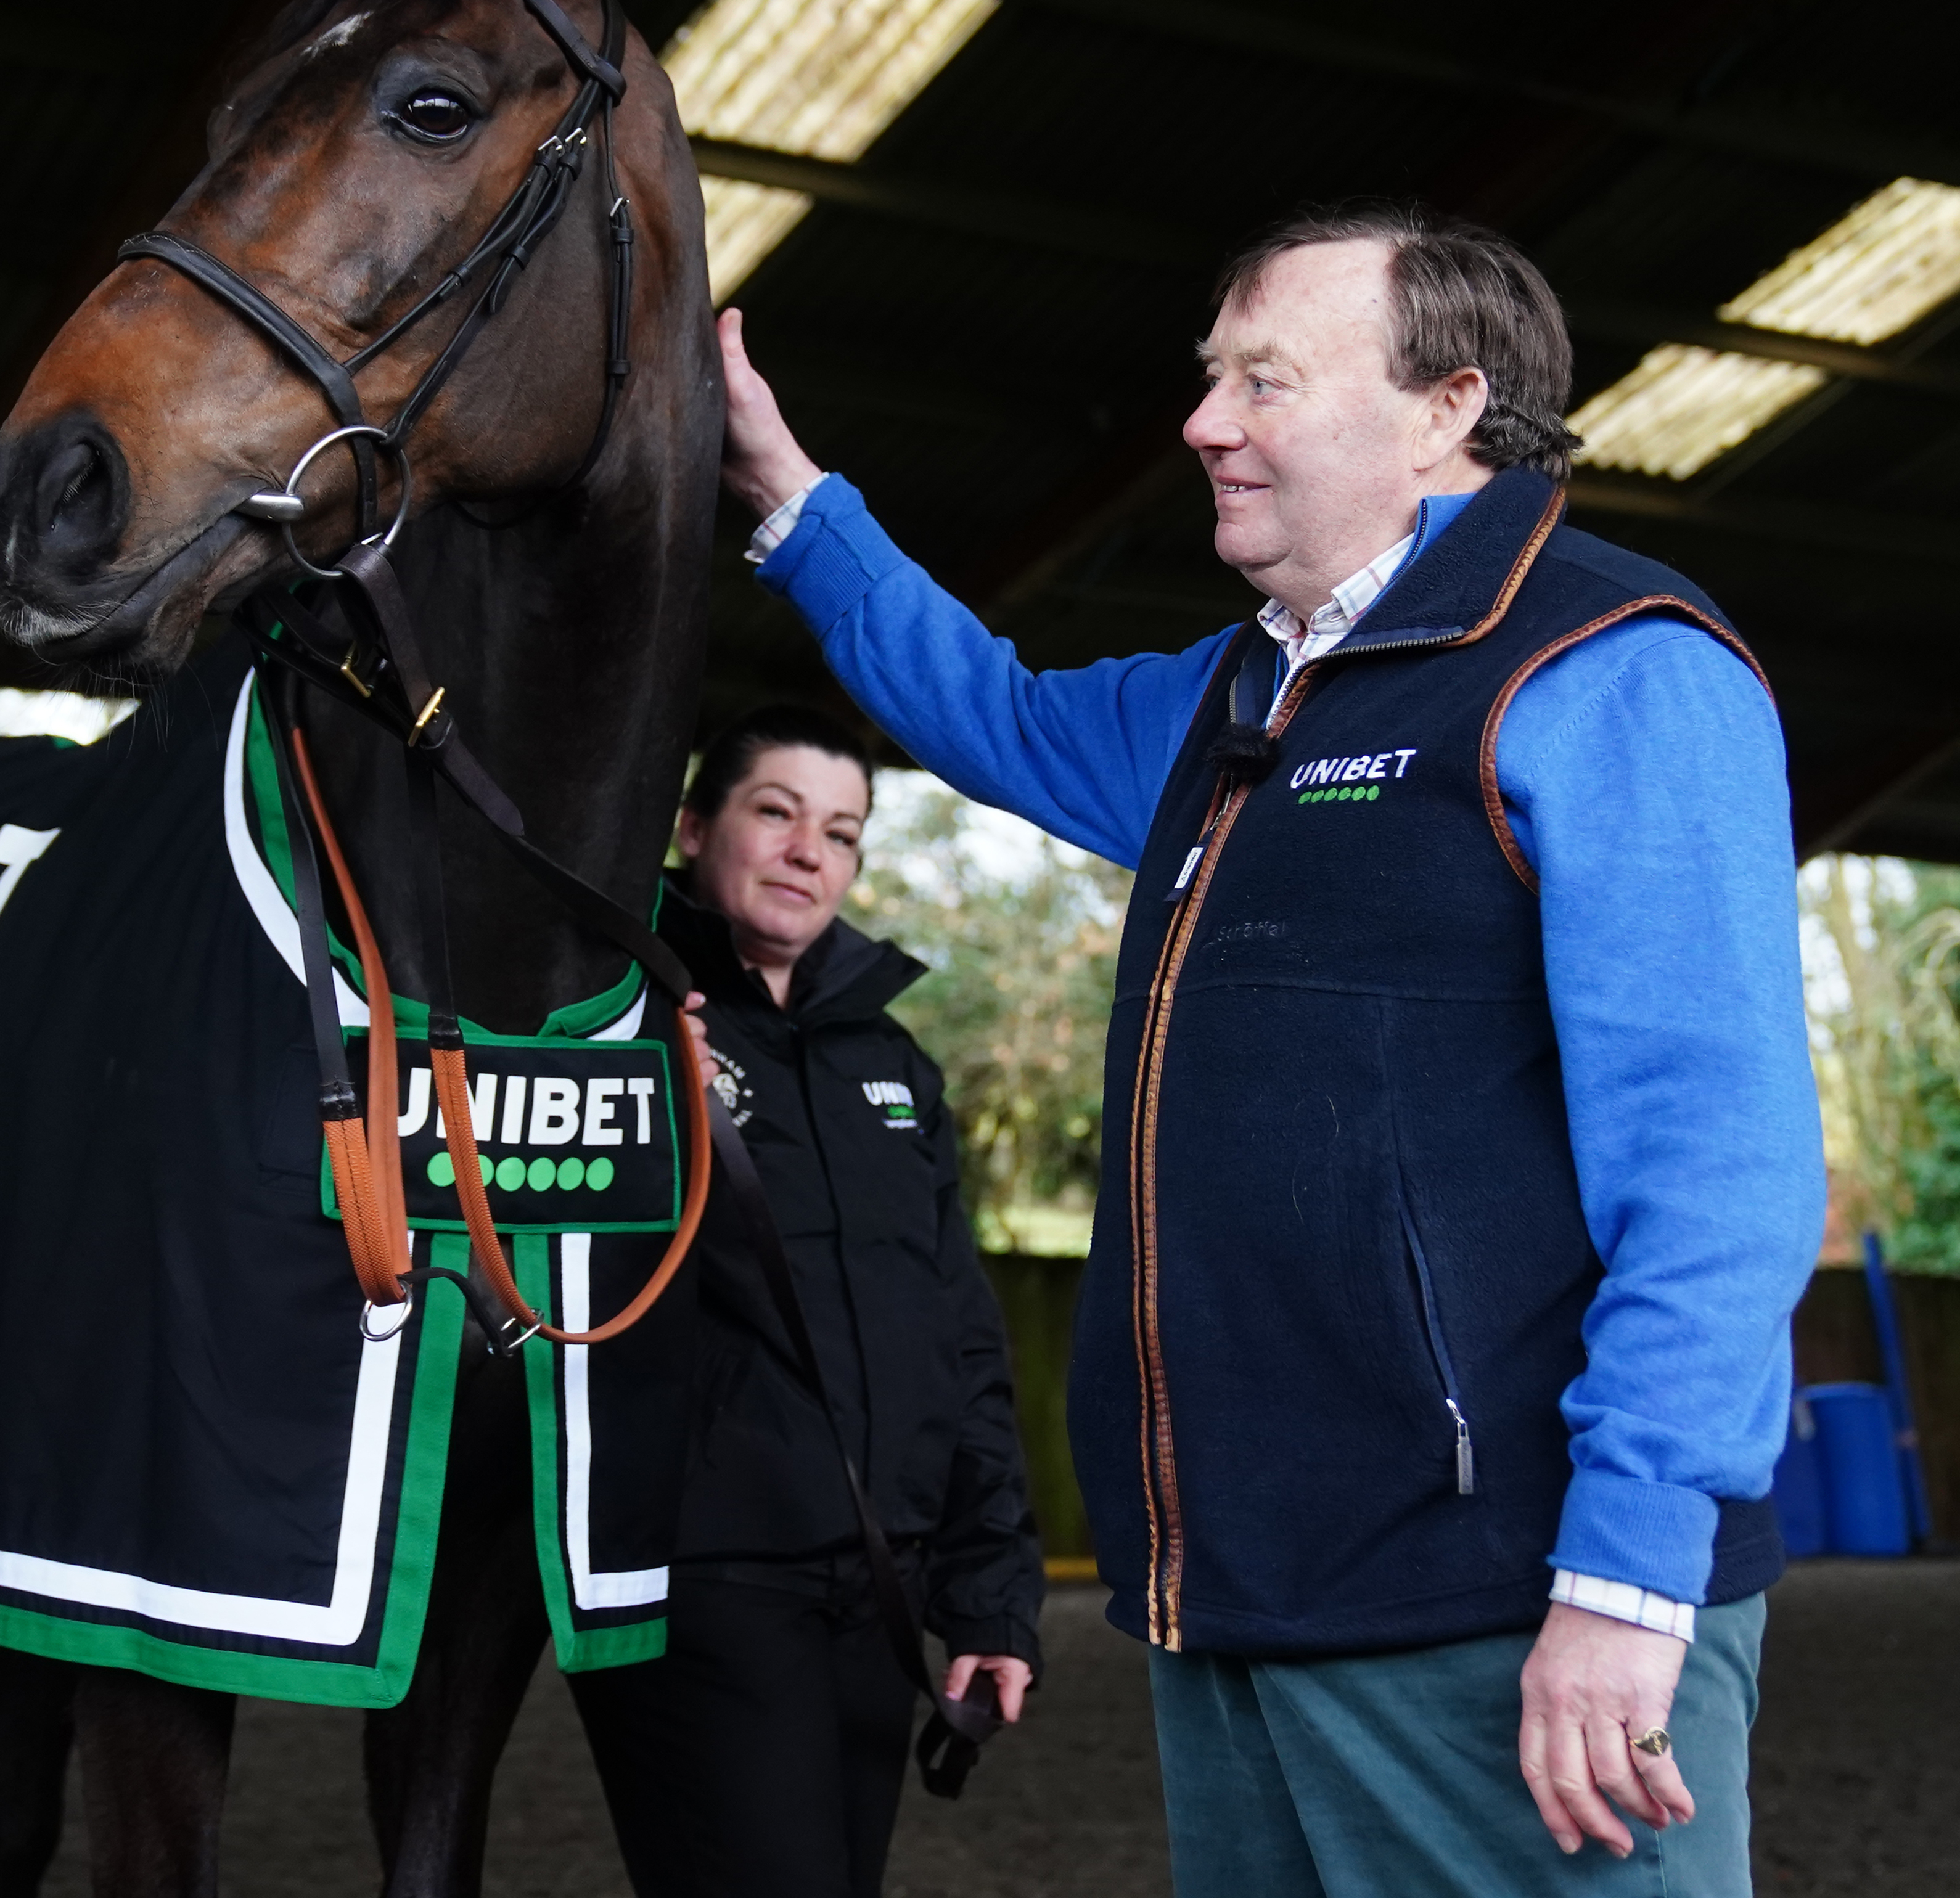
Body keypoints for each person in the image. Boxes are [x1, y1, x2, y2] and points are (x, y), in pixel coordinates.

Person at [709, 204, 1824, 1897]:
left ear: (1447, 406)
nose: (1203, 421)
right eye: (1209, 377)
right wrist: (789, 494)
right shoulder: (1235, 695)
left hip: (1503, 1606)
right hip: (1232, 1590)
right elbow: (993, 708)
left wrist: (1626, 1575)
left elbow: (1720, 1164)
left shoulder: (1614, 670)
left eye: (1262, 380)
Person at [566, 705, 1046, 1898]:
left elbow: (958, 1340)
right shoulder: (602, 1024)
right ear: (689, 828)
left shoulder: (890, 1061)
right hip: (705, 1577)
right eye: (772, 812)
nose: (805, 852)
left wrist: (987, 1600)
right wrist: (620, 1033)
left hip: (878, 1583)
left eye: (839, 832)